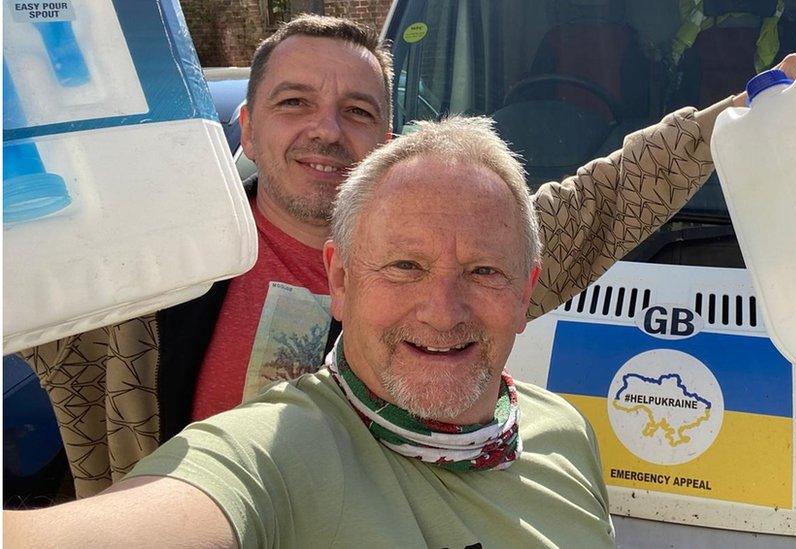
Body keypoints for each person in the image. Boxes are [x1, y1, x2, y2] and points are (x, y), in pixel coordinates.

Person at [19, 13, 796, 498]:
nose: (327, 130)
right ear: (247, 130)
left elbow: (601, 202)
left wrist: (736, 118)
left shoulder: (448, 269)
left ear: (384, 146)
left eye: (357, 111)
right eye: (294, 104)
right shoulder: (144, 268)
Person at [4, 116, 615, 548]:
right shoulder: (276, 452)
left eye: (484, 271)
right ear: (341, 282)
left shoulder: (564, 433)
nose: (443, 311)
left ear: (527, 287)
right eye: (405, 267)